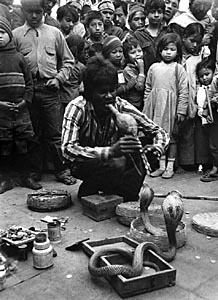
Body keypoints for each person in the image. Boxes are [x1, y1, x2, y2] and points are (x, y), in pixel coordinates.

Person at [62, 55, 169, 201]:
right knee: (117, 162)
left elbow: (159, 131)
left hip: (112, 163)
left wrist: (157, 148)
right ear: (90, 93)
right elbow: (67, 149)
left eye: (112, 91)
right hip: (84, 165)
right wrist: (110, 152)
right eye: (102, 92)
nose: (108, 96)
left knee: (139, 150)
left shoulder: (121, 105)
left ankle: (121, 192)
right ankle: (90, 188)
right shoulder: (77, 108)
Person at [13, 0, 76, 186]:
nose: (33, 16)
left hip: (50, 91)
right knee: (32, 134)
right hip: (28, 92)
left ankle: (61, 170)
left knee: (55, 134)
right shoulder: (16, 36)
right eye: (29, 12)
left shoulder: (54, 33)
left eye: (38, 12)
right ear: (23, 11)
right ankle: (33, 172)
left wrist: (58, 79)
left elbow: (68, 62)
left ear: (44, 11)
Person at [0, 16, 41, 193]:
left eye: (1, 32)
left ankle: (26, 176)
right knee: (4, 144)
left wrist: (25, 100)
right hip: (2, 111)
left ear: (9, 34)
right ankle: (5, 178)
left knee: (24, 142)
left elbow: (29, 82)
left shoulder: (19, 57)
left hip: (22, 109)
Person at [143, 33, 188, 179]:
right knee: (158, 138)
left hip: (171, 108)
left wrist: (181, 111)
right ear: (159, 50)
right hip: (156, 108)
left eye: (172, 49)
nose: (168, 52)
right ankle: (161, 166)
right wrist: (147, 106)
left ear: (177, 51)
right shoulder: (153, 67)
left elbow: (183, 91)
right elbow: (148, 88)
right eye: (165, 49)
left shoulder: (179, 69)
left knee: (172, 138)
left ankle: (170, 167)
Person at [177, 22, 205, 172]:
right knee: (186, 128)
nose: (195, 45)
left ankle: (199, 160)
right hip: (184, 94)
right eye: (191, 41)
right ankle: (186, 161)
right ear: (184, 38)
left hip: (197, 94)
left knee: (198, 129)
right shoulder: (180, 58)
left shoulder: (200, 57)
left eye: (198, 42)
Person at [133, 0, 167, 75]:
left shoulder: (167, 33)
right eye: (153, 12)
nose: (156, 15)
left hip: (166, 75)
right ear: (146, 13)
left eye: (160, 12)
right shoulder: (138, 34)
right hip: (146, 75)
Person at [194, 57, 214, 176]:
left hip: (213, 118)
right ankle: (202, 164)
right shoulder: (200, 89)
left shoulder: (213, 88)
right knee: (202, 141)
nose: (205, 78)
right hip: (201, 119)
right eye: (202, 76)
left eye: (207, 74)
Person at [122, 36, 145, 111]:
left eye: (139, 51)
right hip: (134, 104)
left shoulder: (142, 64)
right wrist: (141, 71)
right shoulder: (128, 70)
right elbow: (139, 87)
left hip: (143, 101)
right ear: (127, 56)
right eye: (133, 53)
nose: (138, 54)